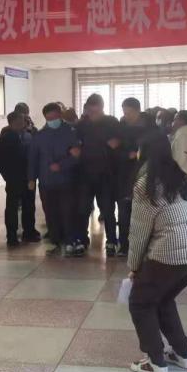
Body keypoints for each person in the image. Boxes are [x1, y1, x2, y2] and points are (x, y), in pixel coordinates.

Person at [126, 132, 187, 372]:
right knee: (163, 298)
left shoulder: (146, 184)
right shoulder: (183, 178)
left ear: (144, 154)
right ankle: (182, 353)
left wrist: (134, 267)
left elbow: (139, 231)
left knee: (140, 302)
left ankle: (155, 361)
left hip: (172, 253)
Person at [29, 102, 82, 257]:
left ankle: (71, 241)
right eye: (49, 119)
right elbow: (33, 158)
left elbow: (77, 156)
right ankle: (56, 242)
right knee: (50, 213)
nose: (52, 121)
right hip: (46, 182)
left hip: (67, 180)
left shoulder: (71, 132)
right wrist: (31, 178)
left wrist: (62, 165)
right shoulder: (40, 136)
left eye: (54, 117)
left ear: (60, 115)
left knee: (68, 212)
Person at [75, 93, 121, 255]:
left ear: (102, 108)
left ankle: (112, 241)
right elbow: (76, 144)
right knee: (83, 209)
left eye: (95, 111)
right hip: (85, 174)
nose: (92, 114)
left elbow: (118, 143)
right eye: (90, 111)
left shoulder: (112, 122)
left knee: (107, 209)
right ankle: (82, 239)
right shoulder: (82, 125)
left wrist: (114, 143)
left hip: (105, 174)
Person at [116, 97, 158, 257]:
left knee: (145, 214)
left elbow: (159, 151)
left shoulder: (152, 128)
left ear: (138, 111)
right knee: (124, 212)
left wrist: (142, 155)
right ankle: (124, 245)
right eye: (124, 112)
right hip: (124, 176)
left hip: (145, 175)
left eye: (129, 113)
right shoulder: (121, 128)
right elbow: (115, 151)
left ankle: (145, 246)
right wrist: (126, 155)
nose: (126, 116)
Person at [0, 111, 40, 246]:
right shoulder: (5, 138)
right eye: (19, 121)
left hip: (29, 177)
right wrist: (7, 176)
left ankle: (29, 232)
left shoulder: (28, 136)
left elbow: (33, 156)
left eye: (23, 120)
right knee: (12, 207)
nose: (23, 123)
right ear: (12, 123)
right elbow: (2, 160)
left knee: (29, 205)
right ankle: (11, 235)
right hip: (13, 178)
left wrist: (33, 175)